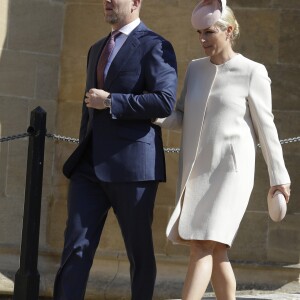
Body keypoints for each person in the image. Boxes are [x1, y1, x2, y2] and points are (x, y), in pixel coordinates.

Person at [155, 0, 291, 299]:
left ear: (229, 30)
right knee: (214, 250)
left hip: (231, 174)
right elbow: (179, 116)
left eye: (209, 32)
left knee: (203, 243)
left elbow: (267, 129)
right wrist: (146, 110)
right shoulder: (195, 70)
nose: (202, 40)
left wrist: (279, 178)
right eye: (199, 33)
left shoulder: (252, 71)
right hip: (198, 171)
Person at [53, 0, 177, 299]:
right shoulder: (96, 48)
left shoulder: (155, 45)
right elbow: (88, 111)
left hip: (133, 167)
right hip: (89, 166)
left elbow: (164, 101)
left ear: (135, 2)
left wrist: (112, 100)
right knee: (75, 247)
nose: (106, 2)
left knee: (139, 253)